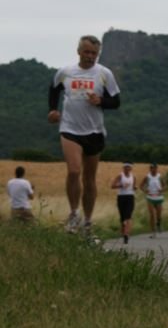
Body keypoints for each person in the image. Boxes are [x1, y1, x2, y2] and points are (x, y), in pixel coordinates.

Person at [47, 34, 121, 235]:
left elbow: (116, 101)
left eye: (94, 54)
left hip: (95, 131)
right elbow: (54, 89)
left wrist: (101, 101)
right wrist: (53, 110)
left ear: (98, 55)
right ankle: (73, 214)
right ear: (79, 51)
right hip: (70, 128)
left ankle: (88, 222)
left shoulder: (104, 74)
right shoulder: (65, 72)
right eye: (87, 52)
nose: (90, 56)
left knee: (89, 180)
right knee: (73, 171)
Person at [111, 162, 137, 244]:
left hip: (130, 196)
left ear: (131, 168)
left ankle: (126, 234)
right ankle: (123, 229)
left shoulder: (133, 177)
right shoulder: (120, 176)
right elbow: (112, 186)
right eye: (126, 167)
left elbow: (134, 187)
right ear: (123, 168)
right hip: (121, 197)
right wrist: (121, 186)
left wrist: (135, 187)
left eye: (129, 167)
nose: (127, 169)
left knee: (128, 215)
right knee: (122, 216)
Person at [140, 163, 167, 238]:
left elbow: (165, 186)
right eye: (152, 168)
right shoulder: (147, 177)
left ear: (157, 169)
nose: (154, 170)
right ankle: (153, 232)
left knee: (159, 215)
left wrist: (162, 189)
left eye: (155, 168)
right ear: (150, 169)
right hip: (150, 197)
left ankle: (159, 223)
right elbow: (141, 186)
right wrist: (145, 190)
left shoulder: (160, 176)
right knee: (152, 215)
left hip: (158, 197)